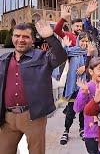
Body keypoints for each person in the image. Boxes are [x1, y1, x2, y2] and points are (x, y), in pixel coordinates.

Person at [0, 21, 67, 154]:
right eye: (17, 36)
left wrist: (50, 37)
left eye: (25, 37)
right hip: (7, 118)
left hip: (33, 116)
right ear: (12, 37)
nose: (20, 40)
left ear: (32, 40)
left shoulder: (42, 57)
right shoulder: (3, 59)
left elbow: (60, 57)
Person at [59, 32, 95, 145]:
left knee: (83, 110)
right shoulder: (72, 51)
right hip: (73, 86)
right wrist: (65, 46)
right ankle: (66, 131)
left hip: (85, 86)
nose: (84, 43)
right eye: (82, 40)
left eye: (86, 41)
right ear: (78, 40)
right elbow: (61, 56)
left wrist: (86, 63)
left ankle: (82, 129)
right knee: (71, 109)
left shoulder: (91, 53)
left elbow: (93, 68)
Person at [74, 57, 100, 154]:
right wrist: (84, 93)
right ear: (91, 71)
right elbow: (77, 108)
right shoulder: (87, 87)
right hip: (92, 132)